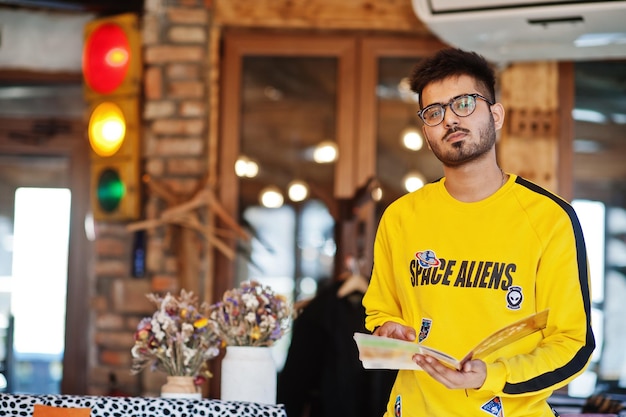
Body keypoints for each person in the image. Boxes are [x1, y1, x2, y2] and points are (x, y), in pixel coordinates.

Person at [362, 48, 596, 417]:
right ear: (426, 130)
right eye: (434, 112)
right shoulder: (400, 217)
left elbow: (573, 345)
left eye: (465, 104)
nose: (450, 120)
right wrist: (388, 331)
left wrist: (493, 375)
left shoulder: (550, 219)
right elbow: (380, 313)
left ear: (496, 114)